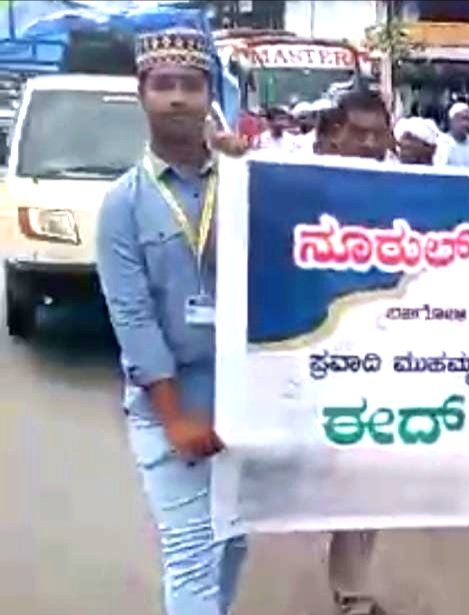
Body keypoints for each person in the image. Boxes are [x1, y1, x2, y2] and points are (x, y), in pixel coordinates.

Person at [96, 27, 248, 615]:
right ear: (142, 95)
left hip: (243, 404)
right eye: (163, 85)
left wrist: (245, 170)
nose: (178, 98)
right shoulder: (123, 203)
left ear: (210, 95)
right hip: (170, 409)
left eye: (191, 84)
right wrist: (175, 420)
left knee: (232, 546)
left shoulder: (242, 180)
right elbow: (133, 320)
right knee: (192, 559)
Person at [311, 88, 392, 615]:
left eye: (376, 134)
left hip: (375, 359)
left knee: (365, 481)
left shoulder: (403, 194)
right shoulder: (295, 187)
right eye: (357, 133)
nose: (367, 144)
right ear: (330, 135)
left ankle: (353, 592)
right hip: (303, 355)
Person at [434, 101, 469, 169]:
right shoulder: (441, 143)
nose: (465, 123)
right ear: (452, 121)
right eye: (462, 118)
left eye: (468, 119)